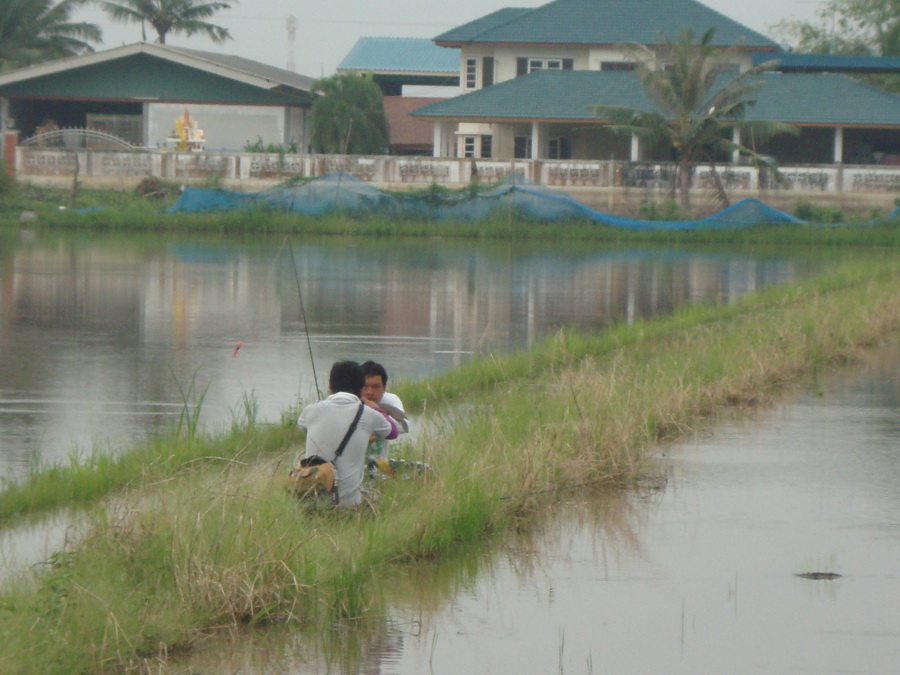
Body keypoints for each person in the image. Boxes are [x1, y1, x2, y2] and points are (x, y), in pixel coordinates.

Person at [297, 360, 398, 507]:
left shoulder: (310, 410)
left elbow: (303, 427)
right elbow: (393, 432)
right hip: (349, 504)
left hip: (311, 502)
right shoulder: (369, 414)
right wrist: (375, 408)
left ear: (330, 387)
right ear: (361, 389)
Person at [361, 360, 408, 461]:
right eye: (365, 386)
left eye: (376, 387)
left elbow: (405, 426)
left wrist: (377, 411)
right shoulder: (351, 401)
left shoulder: (390, 400)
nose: (370, 392)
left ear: (384, 387)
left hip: (380, 464)